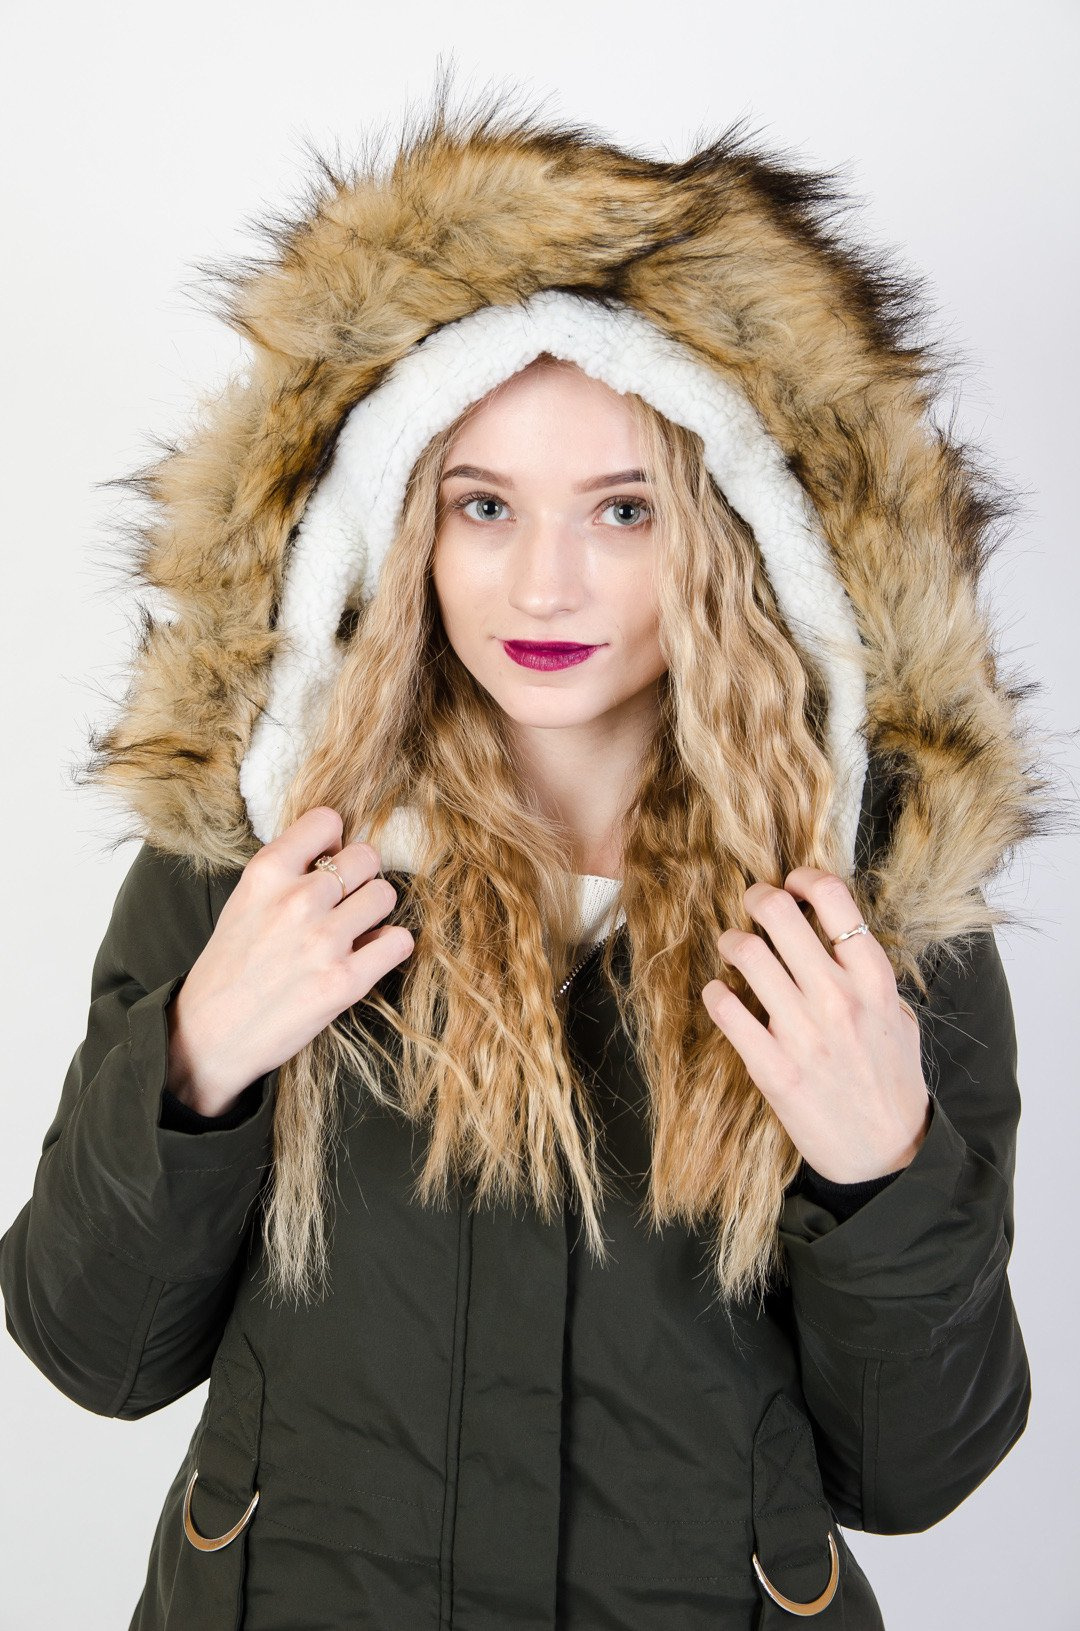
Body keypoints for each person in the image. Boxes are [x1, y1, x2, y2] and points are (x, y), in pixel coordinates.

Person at [0, 85, 1055, 1631]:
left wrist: (881, 1171)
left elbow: (913, 1472)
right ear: (399, 520)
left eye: (623, 510)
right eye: (484, 505)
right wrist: (196, 1063)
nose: (544, 584)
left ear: (731, 526)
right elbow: (94, 1353)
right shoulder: (266, 853)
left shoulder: (869, 909)